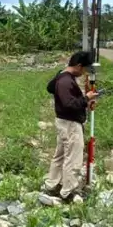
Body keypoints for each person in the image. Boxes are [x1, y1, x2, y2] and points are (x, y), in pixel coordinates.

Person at [43, 50, 98, 201]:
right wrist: (85, 98)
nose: (85, 72)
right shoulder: (66, 81)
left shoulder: (62, 76)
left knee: (60, 155)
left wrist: (85, 100)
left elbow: (50, 87)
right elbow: (69, 104)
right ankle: (68, 191)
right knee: (73, 157)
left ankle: (52, 185)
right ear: (79, 66)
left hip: (63, 122)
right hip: (70, 124)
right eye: (85, 69)